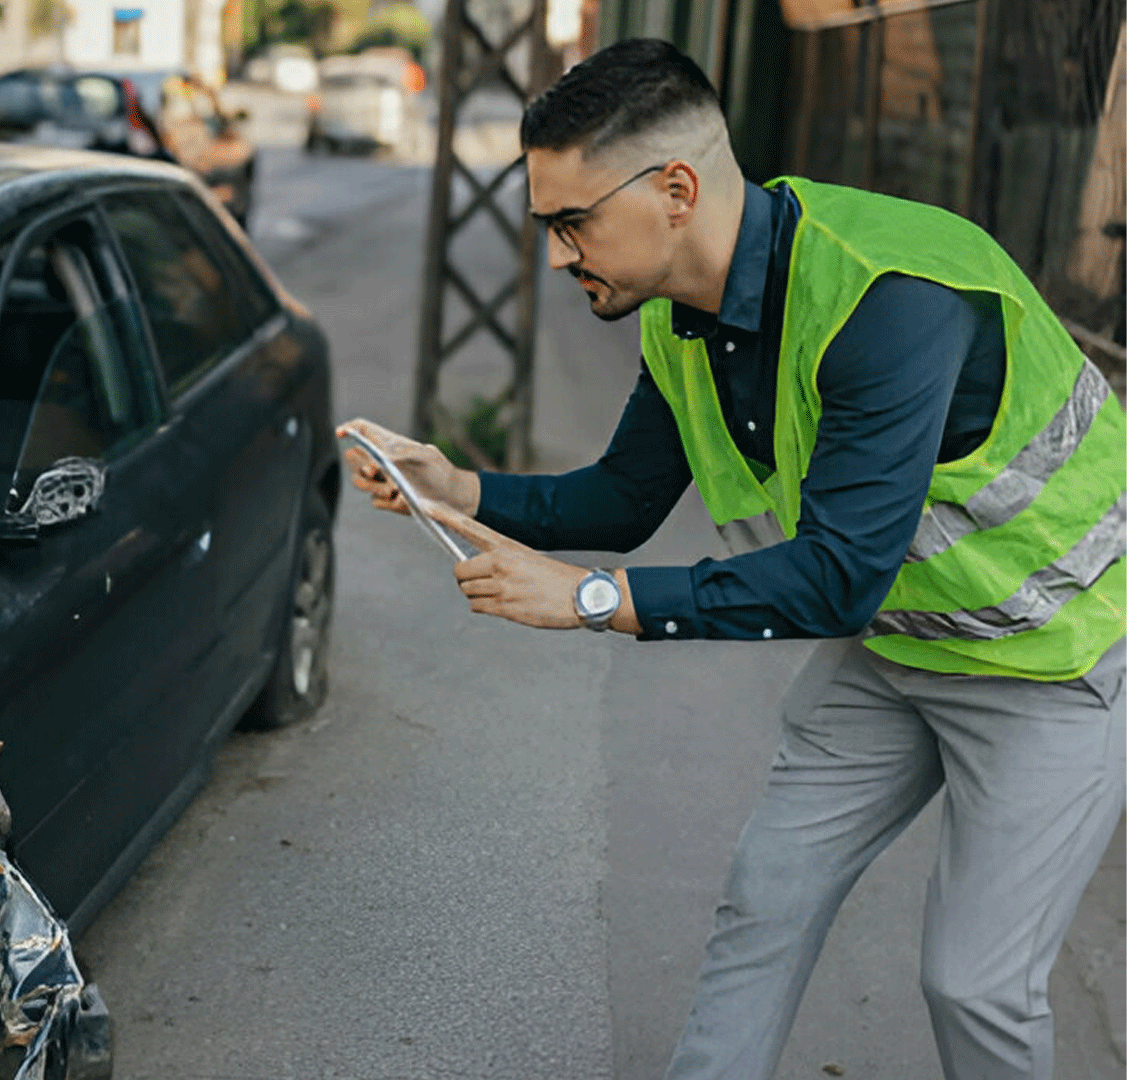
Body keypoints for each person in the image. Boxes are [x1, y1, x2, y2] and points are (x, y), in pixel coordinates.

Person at [340, 37, 1125, 1080]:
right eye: (548, 226)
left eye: (573, 223)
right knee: (767, 899)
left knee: (974, 983)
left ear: (674, 188)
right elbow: (620, 500)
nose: (558, 254)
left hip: (1058, 656)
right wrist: (457, 489)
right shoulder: (680, 315)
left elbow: (836, 573)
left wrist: (586, 600)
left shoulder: (889, 295)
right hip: (902, 648)